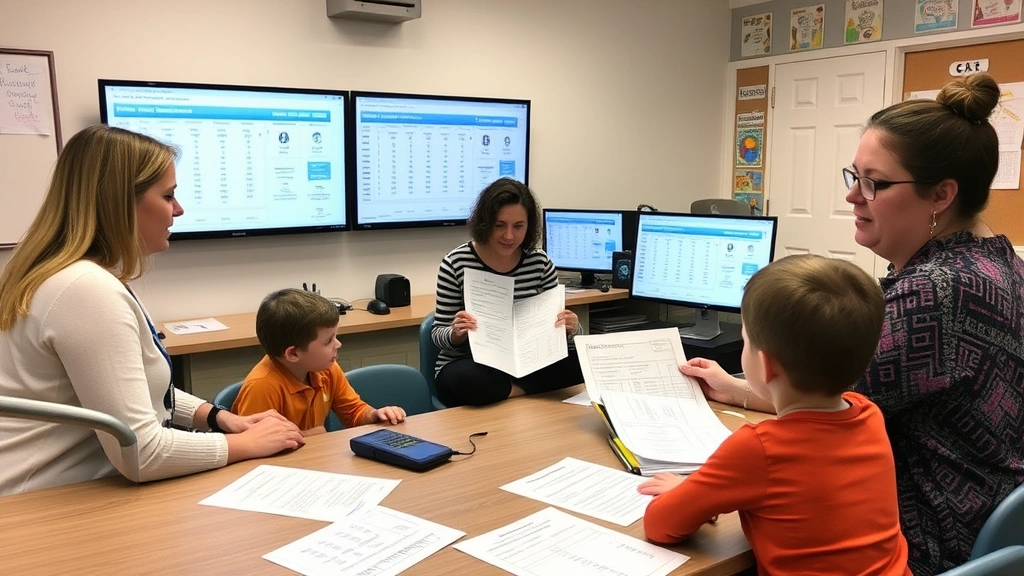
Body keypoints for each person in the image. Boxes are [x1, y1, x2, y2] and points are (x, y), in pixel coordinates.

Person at [683, 73, 1024, 575]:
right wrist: (734, 389)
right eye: (854, 176)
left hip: (921, 542)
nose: (852, 196)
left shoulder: (935, 293)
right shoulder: (1000, 263)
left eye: (874, 183)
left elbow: (819, 398)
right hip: (986, 519)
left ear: (940, 194)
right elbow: (840, 389)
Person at [0, 125, 305, 496]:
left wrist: (219, 418)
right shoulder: (85, 290)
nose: (178, 209)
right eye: (168, 195)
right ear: (118, 203)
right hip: (44, 503)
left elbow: (136, 391)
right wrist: (246, 443)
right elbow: (141, 454)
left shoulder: (66, 276)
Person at [640, 255, 909, 575]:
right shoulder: (868, 414)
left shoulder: (758, 448)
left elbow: (660, 525)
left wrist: (682, 494)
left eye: (745, 340)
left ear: (765, 366)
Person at [432, 177, 584, 406]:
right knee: (465, 379)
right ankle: (525, 391)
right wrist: (456, 333)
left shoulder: (539, 262)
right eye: (500, 225)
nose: (509, 236)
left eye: (518, 226)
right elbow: (438, 335)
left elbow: (560, 338)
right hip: (473, 364)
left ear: (529, 226)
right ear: (485, 223)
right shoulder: (456, 263)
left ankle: (508, 392)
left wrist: (572, 328)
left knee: (580, 362)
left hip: (528, 362)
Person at [232, 288, 406, 435]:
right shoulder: (262, 387)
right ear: (293, 353)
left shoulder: (326, 368)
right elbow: (255, 446)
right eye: (328, 341)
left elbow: (354, 412)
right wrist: (312, 435)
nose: (338, 344)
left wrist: (373, 415)